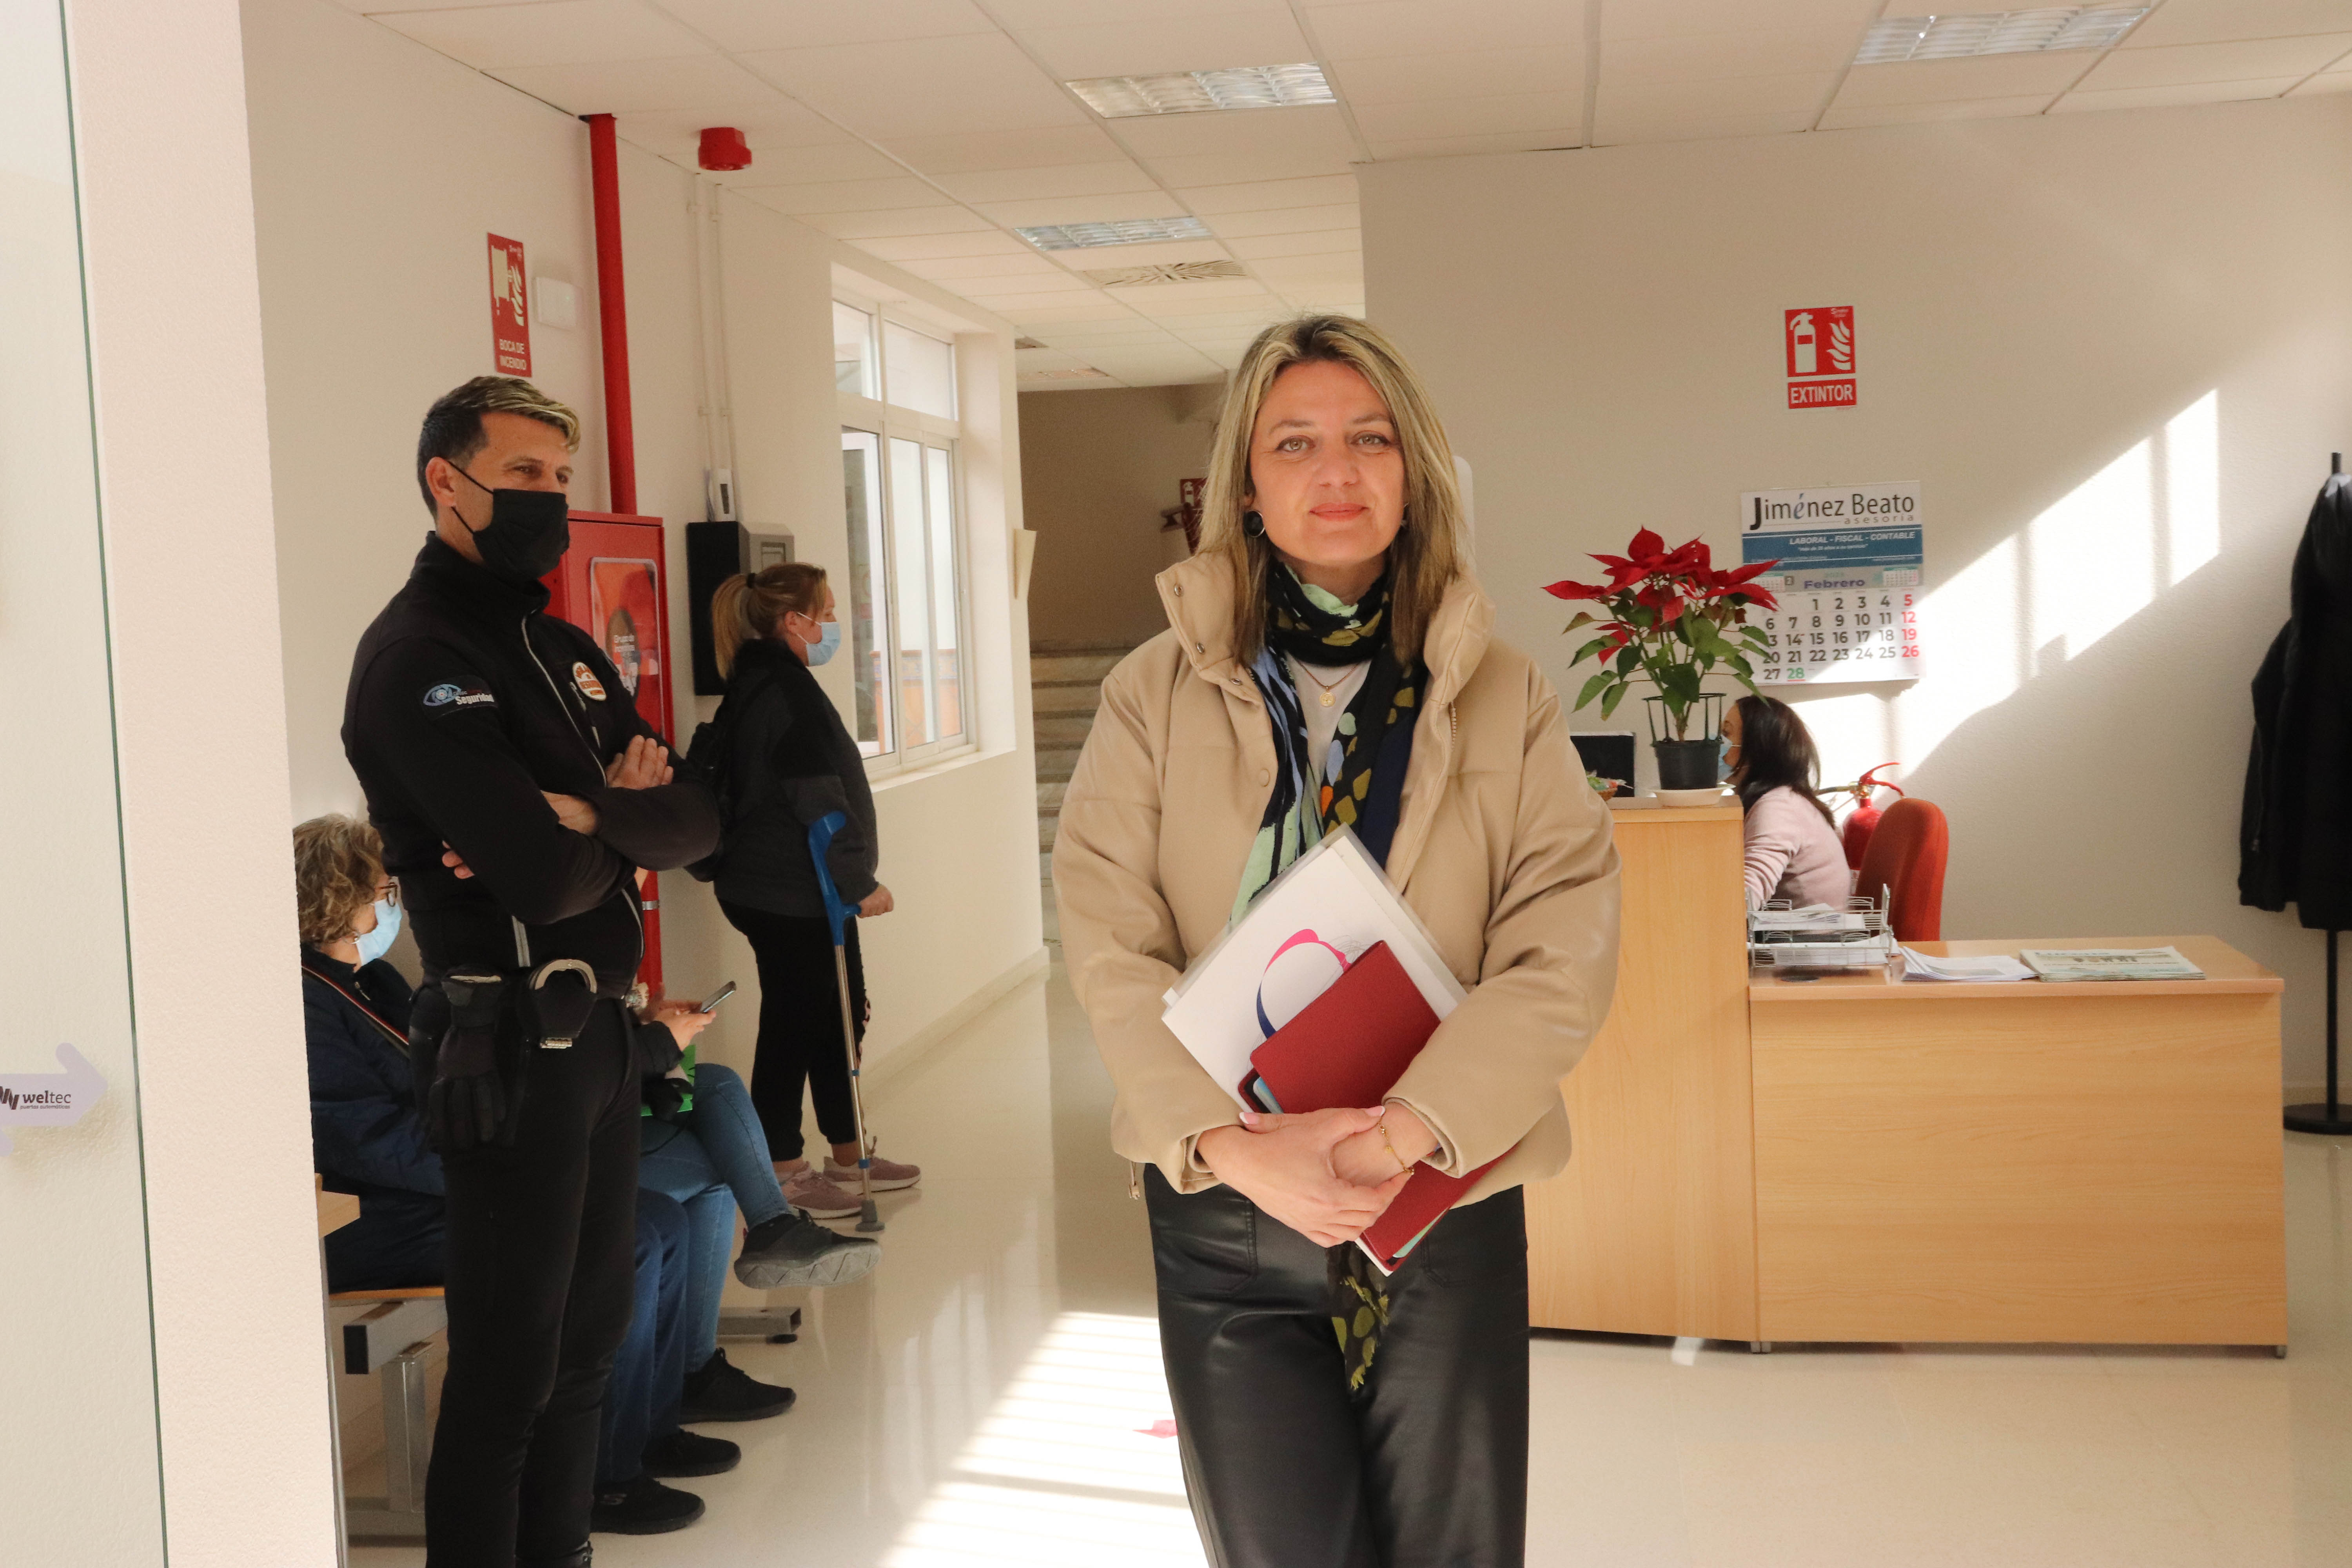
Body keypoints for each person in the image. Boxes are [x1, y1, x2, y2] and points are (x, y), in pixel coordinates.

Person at [1052, 315, 1621, 1568]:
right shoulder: (1153, 691)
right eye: (1294, 442)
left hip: (1439, 1192)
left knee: (1453, 1549)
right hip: (1227, 1200)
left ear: (1411, 468)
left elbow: (1561, 944)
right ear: (1245, 488)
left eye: (1368, 438)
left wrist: (1397, 1134)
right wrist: (1224, 1146)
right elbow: (1107, 939)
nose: (1336, 472)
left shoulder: (1500, 690)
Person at [342, 376, 721, 1568]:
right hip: (503, 1045)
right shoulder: (416, 659)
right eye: (519, 475)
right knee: (510, 1365)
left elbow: (702, 823)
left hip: (601, 1038)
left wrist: (582, 811)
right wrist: (620, 813)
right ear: (443, 482)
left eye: (559, 477)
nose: (549, 498)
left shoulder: (559, 650)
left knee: (586, 1349)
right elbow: (542, 880)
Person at [293, 815, 728, 1536]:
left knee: (655, 1221)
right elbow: (364, 1142)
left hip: (452, 1181)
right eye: (383, 890)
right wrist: (504, 1171)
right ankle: (603, 1478)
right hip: (384, 1215)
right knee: (632, 1240)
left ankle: (645, 1436)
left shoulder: (373, 978)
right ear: (338, 898)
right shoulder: (306, 1005)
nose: (393, 905)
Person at [703, 563, 920, 1219]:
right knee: (794, 1027)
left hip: (798, 888)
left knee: (840, 1013)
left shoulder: (767, 678)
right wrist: (861, 882)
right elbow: (818, 803)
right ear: (792, 621)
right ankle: (783, 1168)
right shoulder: (781, 690)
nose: (833, 623)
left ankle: (849, 1152)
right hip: (787, 890)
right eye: (825, 611)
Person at [629, 1002, 881, 1421]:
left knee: (716, 1081)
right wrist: (656, 1038)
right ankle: (694, 1371)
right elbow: (579, 1066)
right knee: (726, 1157)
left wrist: (643, 1022)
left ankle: (772, 1223)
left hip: (602, 1109)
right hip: (560, 1147)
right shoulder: (540, 978)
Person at [1723, 693, 1849, 909]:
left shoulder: (1777, 807)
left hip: (1810, 941)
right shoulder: (1788, 799)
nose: (1718, 745)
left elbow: (1746, 899)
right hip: (1802, 936)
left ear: (1759, 748)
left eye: (1726, 734)